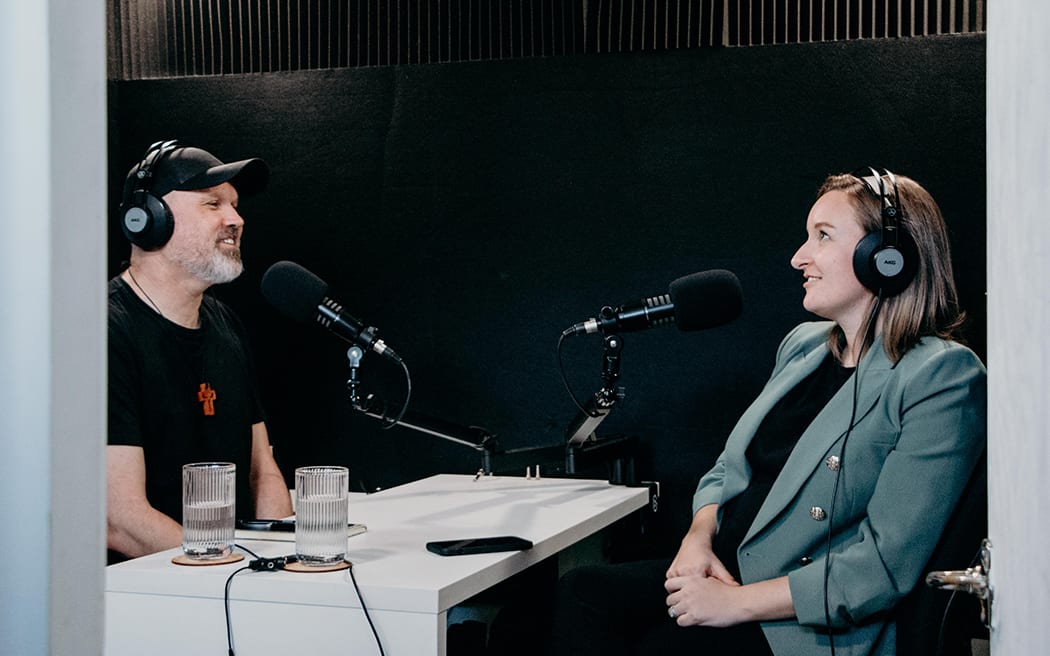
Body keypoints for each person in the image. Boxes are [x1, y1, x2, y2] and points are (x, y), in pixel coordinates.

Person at [546, 170, 987, 655]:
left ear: (887, 258)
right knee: (577, 596)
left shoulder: (941, 375)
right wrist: (697, 539)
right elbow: (727, 471)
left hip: (800, 616)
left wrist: (734, 605)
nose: (800, 257)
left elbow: (880, 567)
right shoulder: (803, 347)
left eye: (822, 236)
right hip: (729, 565)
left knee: (660, 645)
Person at [107, 140, 293, 562]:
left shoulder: (224, 323)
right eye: (213, 205)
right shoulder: (102, 332)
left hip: (223, 587)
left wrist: (283, 568)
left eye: (235, 205)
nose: (236, 219)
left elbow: (261, 469)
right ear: (147, 219)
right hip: (145, 600)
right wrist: (231, 570)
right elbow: (119, 518)